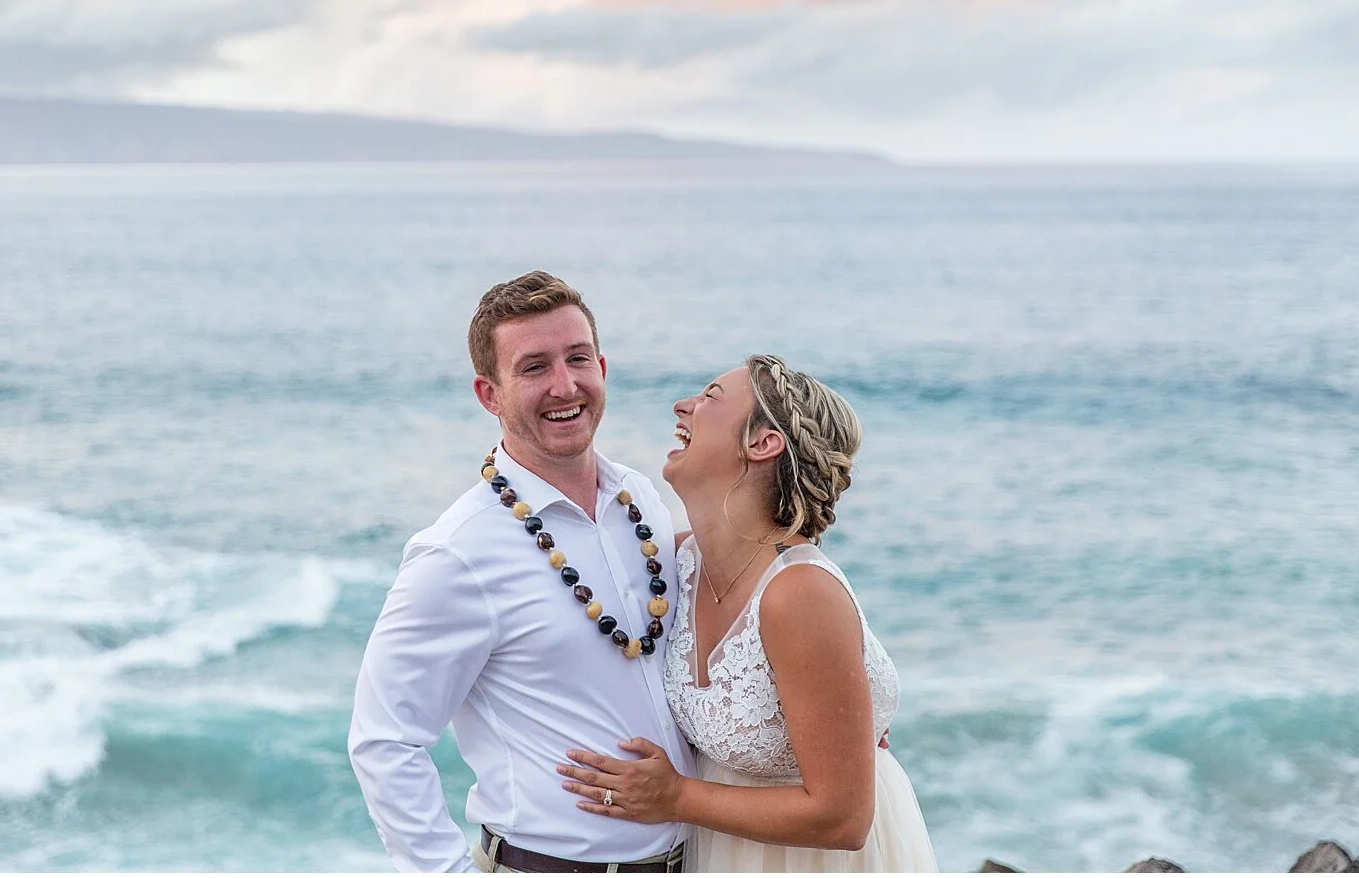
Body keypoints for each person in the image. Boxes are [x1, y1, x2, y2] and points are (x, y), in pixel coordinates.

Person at [348, 270, 694, 873]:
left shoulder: (639, 499)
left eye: (577, 358)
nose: (565, 385)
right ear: (490, 395)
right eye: (534, 368)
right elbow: (384, 740)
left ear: (602, 368)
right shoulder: (457, 552)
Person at [555, 355, 939, 871]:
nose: (682, 406)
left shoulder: (799, 593)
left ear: (762, 443)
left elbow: (844, 819)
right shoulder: (676, 565)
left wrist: (676, 797)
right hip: (725, 848)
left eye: (709, 398)